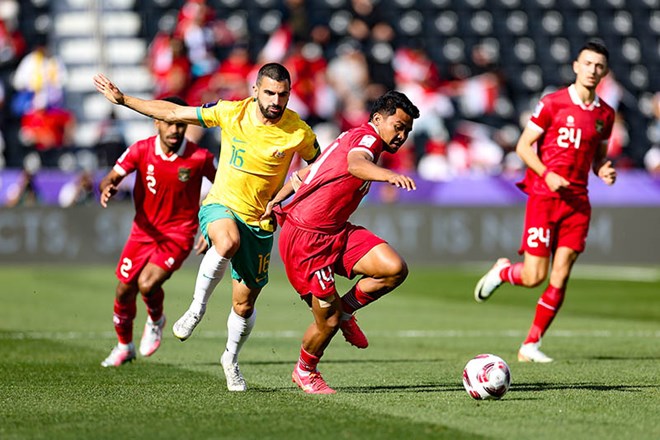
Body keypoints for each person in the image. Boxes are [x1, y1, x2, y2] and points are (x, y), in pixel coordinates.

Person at [93, 63, 321, 390]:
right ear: (255, 90)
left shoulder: (298, 131)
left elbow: (319, 165)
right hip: (222, 205)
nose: (275, 100)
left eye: (282, 94)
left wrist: (297, 191)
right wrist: (125, 99)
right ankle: (195, 310)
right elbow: (174, 111)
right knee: (226, 244)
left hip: (261, 222)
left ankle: (230, 358)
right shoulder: (229, 112)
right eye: (269, 92)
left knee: (244, 304)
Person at [265, 91, 420, 393]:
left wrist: (275, 201)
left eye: (407, 131)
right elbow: (356, 165)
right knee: (328, 321)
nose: (401, 135)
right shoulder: (368, 141)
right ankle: (305, 370)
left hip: (335, 230)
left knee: (393, 268)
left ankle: (348, 308)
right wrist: (387, 175)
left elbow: (307, 174)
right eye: (398, 126)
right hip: (307, 241)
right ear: (378, 119)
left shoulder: (351, 137)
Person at [473, 40, 617, 363]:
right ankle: (504, 272)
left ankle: (530, 344)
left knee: (561, 275)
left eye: (599, 66)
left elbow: (599, 157)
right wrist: (547, 173)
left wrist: (604, 169)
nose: (593, 70)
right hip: (545, 197)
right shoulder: (553, 103)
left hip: (578, 202)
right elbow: (524, 147)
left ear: (604, 72)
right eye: (588, 63)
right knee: (535, 275)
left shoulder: (605, 115)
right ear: (576, 66)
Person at [98, 96, 216, 367]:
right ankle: (124, 346)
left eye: (180, 124)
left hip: (178, 233)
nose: (175, 130)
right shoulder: (140, 150)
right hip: (143, 231)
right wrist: (108, 186)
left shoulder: (200, 157)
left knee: (147, 284)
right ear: (156, 123)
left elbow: (223, 189)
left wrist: (210, 225)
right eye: (168, 123)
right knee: (123, 291)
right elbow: (113, 176)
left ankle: (155, 319)